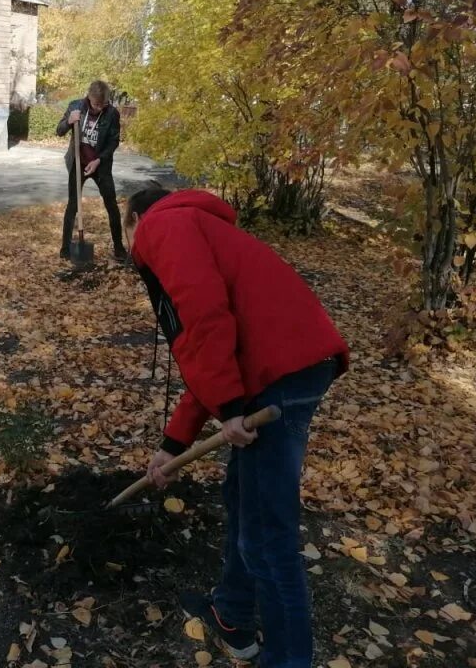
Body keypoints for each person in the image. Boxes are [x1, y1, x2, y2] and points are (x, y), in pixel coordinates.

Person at [124, 185, 349, 668]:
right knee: (242, 498)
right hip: (283, 369)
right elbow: (208, 356)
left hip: (279, 376)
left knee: (267, 536)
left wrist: (229, 408)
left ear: (134, 219)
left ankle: (288, 660)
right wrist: (173, 445)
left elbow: (204, 317)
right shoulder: (197, 226)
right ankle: (232, 613)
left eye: (125, 233)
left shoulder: (162, 224)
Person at [56, 80, 126, 261]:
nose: (99, 108)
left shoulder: (112, 113)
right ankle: (65, 249)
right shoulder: (76, 106)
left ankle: (119, 247)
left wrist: (99, 160)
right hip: (78, 163)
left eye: (103, 104)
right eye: (96, 104)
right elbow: (59, 131)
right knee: (72, 205)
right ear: (89, 97)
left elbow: (114, 141)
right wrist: (69, 121)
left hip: (100, 165)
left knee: (111, 205)